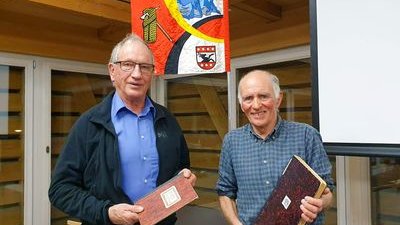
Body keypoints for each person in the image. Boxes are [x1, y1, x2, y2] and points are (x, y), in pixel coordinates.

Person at [48, 33, 196, 225]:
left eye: (144, 67)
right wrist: (106, 212)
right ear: (112, 71)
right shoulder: (89, 124)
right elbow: (60, 190)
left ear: (151, 73)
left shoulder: (167, 121)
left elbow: (180, 168)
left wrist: (183, 179)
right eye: (127, 64)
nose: (136, 74)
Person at [216, 70, 334, 225]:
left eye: (263, 96)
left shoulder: (306, 135)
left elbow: (327, 192)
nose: (256, 105)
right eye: (248, 98)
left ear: (278, 99)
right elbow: (225, 192)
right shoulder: (232, 141)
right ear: (241, 105)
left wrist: (320, 204)